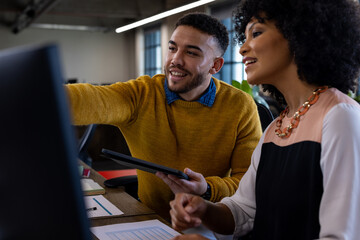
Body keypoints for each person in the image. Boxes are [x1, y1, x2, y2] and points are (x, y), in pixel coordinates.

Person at [169, 0, 360, 239]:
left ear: (299, 35)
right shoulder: (275, 128)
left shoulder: (340, 118)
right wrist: (204, 209)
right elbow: (243, 212)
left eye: (256, 33)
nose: (242, 49)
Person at [66, 12, 262, 220]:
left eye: (192, 53)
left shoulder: (240, 105)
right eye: (172, 48)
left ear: (215, 65)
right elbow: (83, 100)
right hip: (148, 217)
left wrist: (207, 189)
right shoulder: (142, 94)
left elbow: (248, 182)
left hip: (211, 220)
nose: (175, 60)